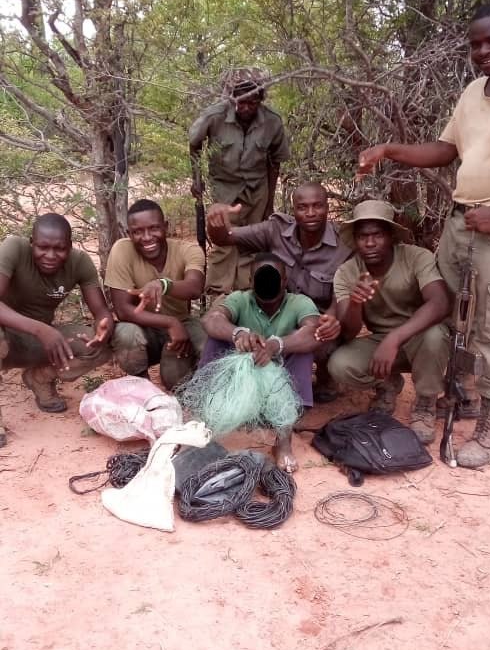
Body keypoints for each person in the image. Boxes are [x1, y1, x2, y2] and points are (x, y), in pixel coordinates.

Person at [357, 3, 490, 467]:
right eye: (476, 43)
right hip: (461, 225)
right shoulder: (474, 92)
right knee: (446, 317)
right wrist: (389, 149)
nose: (483, 50)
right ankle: (457, 395)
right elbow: (445, 150)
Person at [206, 181, 350, 400]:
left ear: (327, 207)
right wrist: (215, 222)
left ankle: (324, 374)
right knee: (234, 326)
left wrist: (332, 317)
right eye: (303, 207)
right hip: (275, 312)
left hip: (315, 324)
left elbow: (343, 291)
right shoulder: (275, 230)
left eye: (317, 206)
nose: (310, 213)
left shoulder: (345, 244)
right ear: (294, 210)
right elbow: (224, 238)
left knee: (322, 336)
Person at [327, 200, 450, 444]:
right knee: (340, 365)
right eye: (363, 237)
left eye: (377, 235)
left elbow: (440, 303)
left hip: (419, 336)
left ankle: (426, 403)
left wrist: (394, 338)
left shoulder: (416, 257)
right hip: (380, 341)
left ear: (391, 235)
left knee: (435, 335)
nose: (370, 243)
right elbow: (349, 333)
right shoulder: (347, 271)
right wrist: (355, 303)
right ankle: (387, 383)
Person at [200, 252, 321, 473]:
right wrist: (237, 334)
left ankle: (283, 440)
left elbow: (314, 332)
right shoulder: (239, 298)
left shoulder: (299, 302)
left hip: (282, 384)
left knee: (304, 350)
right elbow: (211, 319)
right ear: (251, 281)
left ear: (285, 281)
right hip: (245, 380)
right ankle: (206, 424)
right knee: (215, 338)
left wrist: (277, 345)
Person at [0, 213, 114, 445]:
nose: (50, 255)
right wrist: (42, 330)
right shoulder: (14, 247)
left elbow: (101, 312)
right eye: (42, 247)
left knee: (99, 345)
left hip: (37, 342)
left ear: (70, 247)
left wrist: (104, 328)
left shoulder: (80, 262)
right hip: (7, 334)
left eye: (60, 249)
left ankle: (40, 378)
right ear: (32, 242)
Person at [189, 69, 290, 295]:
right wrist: (196, 179)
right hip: (224, 187)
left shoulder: (272, 121)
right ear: (231, 97)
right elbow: (194, 145)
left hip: (257, 188)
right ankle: (218, 293)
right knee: (224, 240)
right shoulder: (214, 115)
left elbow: (275, 162)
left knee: (252, 239)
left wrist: (270, 201)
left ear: (260, 99)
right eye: (240, 102)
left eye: (251, 102)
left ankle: (246, 291)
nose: (245, 108)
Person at [105, 199, 206, 390]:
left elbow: (194, 288)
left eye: (154, 228)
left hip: (181, 325)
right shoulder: (122, 250)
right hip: (145, 328)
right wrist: (170, 323)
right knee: (125, 333)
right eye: (138, 232)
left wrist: (164, 285)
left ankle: (202, 380)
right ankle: (142, 384)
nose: (147, 237)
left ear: (166, 227)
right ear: (129, 233)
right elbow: (123, 310)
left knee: (175, 382)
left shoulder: (188, 250)